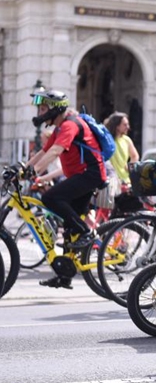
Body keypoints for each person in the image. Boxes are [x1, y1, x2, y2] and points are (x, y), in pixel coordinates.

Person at [26, 89, 107, 289]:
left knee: (51, 198)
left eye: (43, 108)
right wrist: (22, 169)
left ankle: (85, 232)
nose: (40, 113)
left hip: (90, 174)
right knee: (69, 224)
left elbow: (55, 152)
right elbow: (43, 151)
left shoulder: (70, 125)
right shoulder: (59, 129)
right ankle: (65, 275)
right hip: (81, 176)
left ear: (55, 108)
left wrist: (34, 172)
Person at [106, 112, 140, 190]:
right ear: (117, 126)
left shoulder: (126, 140)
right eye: (125, 124)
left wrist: (130, 165)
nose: (128, 127)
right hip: (111, 182)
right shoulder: (107, 140)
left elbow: (135, 156)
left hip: (125, 181)